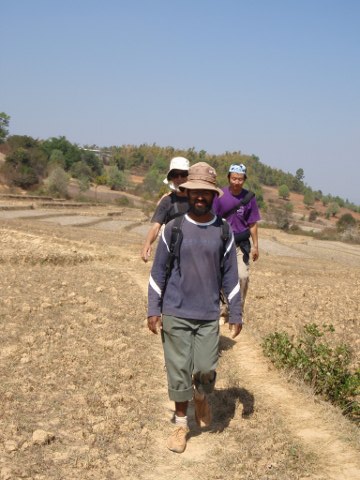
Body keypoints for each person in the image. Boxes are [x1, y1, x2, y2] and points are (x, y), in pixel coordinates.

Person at [147, 162, 242, 454]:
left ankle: (201, 396)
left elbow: (231, 275)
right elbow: (158, 270)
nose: (200, 197)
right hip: (175, 310)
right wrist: (154, 308)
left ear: (213, 196)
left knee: (205, 368)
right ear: (186, 193)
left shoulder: (223, 231)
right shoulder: (173, 228)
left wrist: (236, 312)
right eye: (195, 192)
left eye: (206, 193)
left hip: (207, 314)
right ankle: (180, 424)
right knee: (177, 370)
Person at [213, 163, 260, 321]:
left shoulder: (249, 198)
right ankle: (220, 309)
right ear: (228, 178)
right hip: (221, 242)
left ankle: (236, 311)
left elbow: (253, 223)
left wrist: (255, 246)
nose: (236, 182)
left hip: (241, 243)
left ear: (244, 180)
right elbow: (212, 219)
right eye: (234, 178)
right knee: (217, 276)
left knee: (242, 276)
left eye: (240, 179)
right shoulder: (219, 195)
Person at [141, 156, 190, 262]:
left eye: (183, 174)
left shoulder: (198, 200)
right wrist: (147, 243)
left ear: (189, 176)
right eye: (175, 175)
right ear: (171, 178)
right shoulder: (167, 200)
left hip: (193, 253)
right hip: (171, 252)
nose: (179, 178)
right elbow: (156, 227)